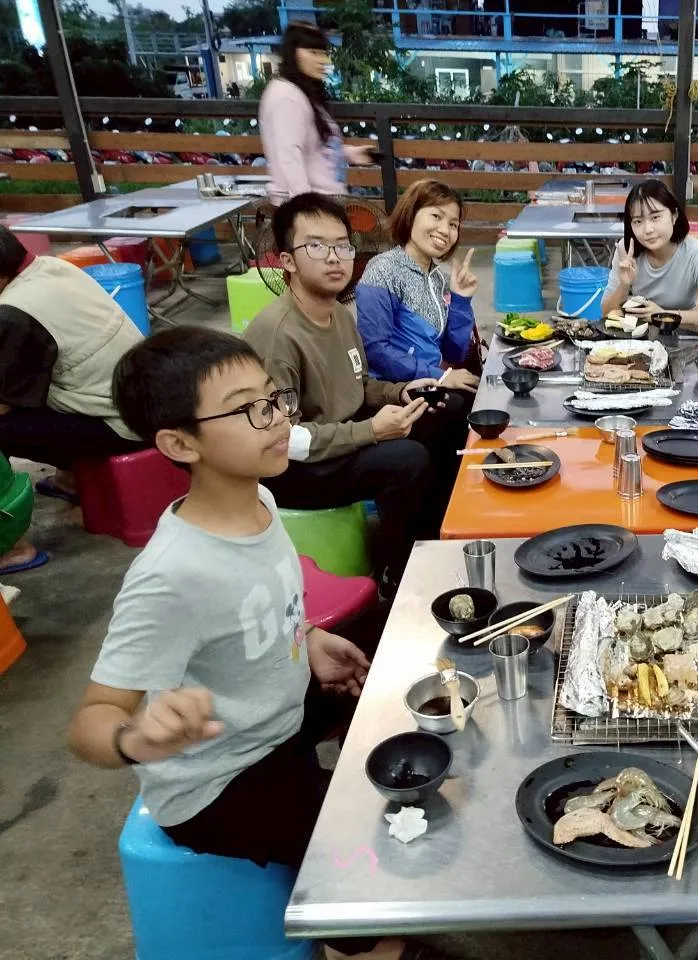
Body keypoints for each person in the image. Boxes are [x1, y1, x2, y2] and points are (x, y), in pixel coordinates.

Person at [66, 327, 415, 960]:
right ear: (180, 443)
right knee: (366, 851)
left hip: (275, 716)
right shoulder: (171, 575)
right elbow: (92, 720)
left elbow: (264, 604)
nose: (277, 418)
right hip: (220, 781)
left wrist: (309, 638)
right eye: (248, 409)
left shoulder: (261, 498)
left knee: (406, 667)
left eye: (274, 398)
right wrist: (135, 739)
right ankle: (363, 942)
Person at [243, 193, 466, 587]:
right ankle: (397, 572)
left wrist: (401, 392)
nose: (334, 258)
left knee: (446, 408)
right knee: (406, 459)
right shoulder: (277, 335)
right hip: (293, 467)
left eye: (343, 246)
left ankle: (438, 533)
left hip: (339, 433)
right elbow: (284, 439)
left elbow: (359, 385)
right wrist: (371, 431)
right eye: (316, 246)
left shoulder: (340, 316)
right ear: (287, 261)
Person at [0, 225, 145, 574]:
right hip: (138, 400)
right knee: (51, 379)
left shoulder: (14, 312)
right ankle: (71, 479)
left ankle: (11, 545)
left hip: (120, 426)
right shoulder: (50, 267)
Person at [355, 179, 481, 392]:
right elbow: (375, 350)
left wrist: (460, 300)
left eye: (453, 224)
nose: (445, 230)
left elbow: (454, 354)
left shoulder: (439, 279)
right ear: (410, 214)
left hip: (433, 384)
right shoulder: (383, 270)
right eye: (436, 216)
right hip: (395, 391)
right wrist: (440, 376)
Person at [258, 22, 374, 203]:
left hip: (324, 201)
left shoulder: (302, 92)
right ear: (293, 53)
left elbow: (314, 148)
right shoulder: (287, 97)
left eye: (324, 53)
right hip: (312, 204)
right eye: (313, 52)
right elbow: (289, 156)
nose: (324, 61)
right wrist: (306, 206)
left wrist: (350, 153)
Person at [601, 179, 698, 323]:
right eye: (638, 221)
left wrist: (663, 315)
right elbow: (606, 313)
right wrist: (623, 285)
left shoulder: (695, 252)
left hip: (685, 331)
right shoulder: (627, 251)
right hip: (640, 334)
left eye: (655, 217)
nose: (648, 230)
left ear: (674, 216)